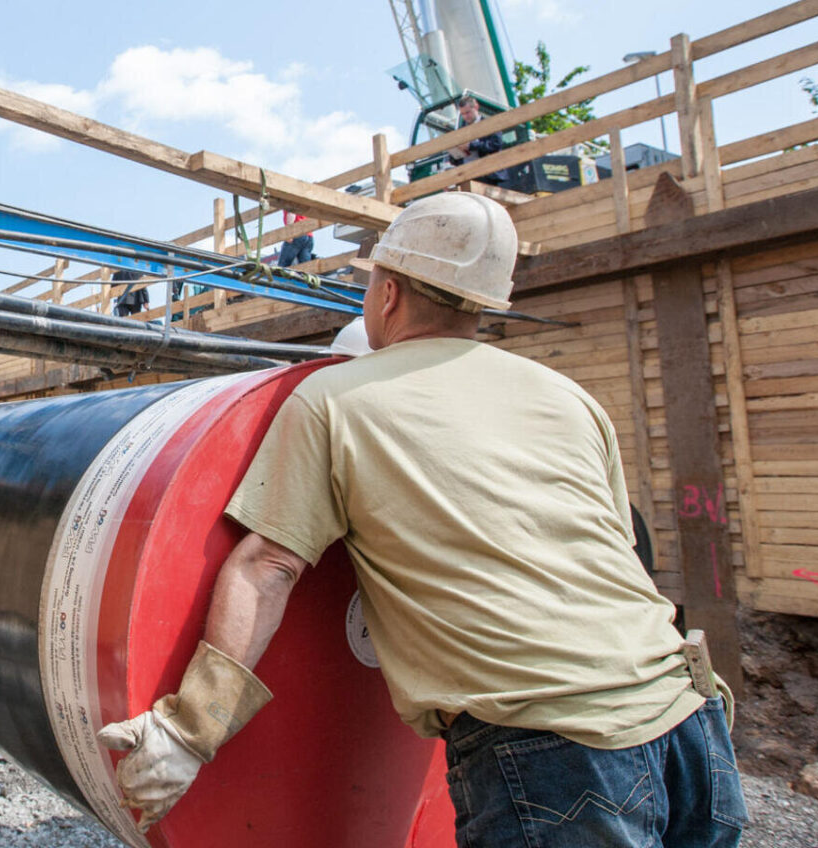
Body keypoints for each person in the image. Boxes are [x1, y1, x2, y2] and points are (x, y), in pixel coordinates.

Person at [95, 191, 743, 846]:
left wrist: (189, 730)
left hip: (554, 749)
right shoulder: (571, 399)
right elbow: (620, 551)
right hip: (693, 725)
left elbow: (268, 565)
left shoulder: (336, 399)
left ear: (390, 292)